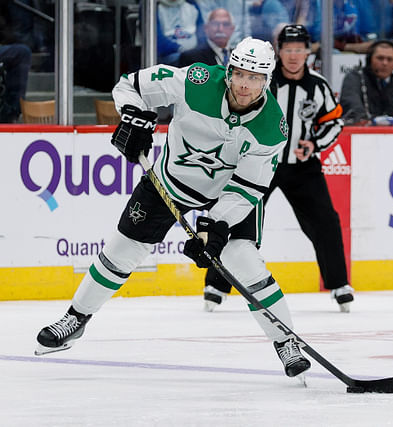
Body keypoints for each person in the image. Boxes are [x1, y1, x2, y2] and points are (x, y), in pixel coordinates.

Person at [35, 37, 312, 379]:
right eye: (239, 73)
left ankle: (286, 341)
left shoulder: (272, 128)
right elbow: (130, 85)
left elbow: (246, 189)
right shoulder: (195, 82)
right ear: (229, 70)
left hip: (228, 194)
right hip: (169, 181)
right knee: (121, 251)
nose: (244, 84)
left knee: (243, 259)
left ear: (267, 80)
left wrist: (216, 228)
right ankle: (75, 319)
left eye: (254, 78)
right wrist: (133, 117)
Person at [202, 25, 354, 314]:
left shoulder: (318, 86)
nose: (294, 56)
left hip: (302, 167)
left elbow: (335, 122)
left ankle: (339, 284)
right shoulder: (262, 81)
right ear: (279, 51)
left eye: (299, 50)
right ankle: (216, 285)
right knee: (234, 217)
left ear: (308, 52)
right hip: (258, 163)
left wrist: (314, 143)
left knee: (326, 222)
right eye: (288, 49)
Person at [339, 39, 393, 125]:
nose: (385, 63)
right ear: (369, 59)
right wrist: (374, 122)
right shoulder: (355, 78)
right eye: (380, 58)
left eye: (389, 59)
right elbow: (353, 110)